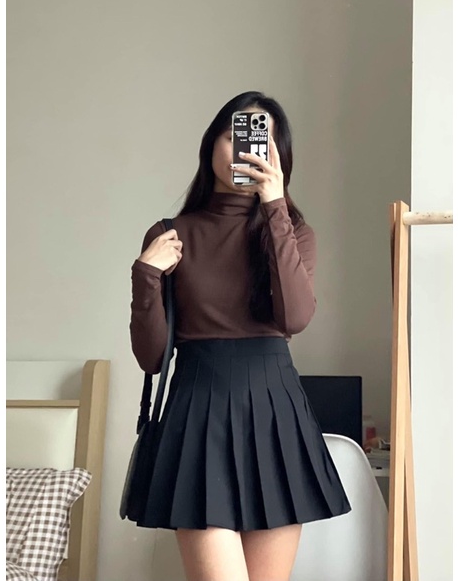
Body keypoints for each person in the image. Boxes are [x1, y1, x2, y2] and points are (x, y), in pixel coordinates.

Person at [129, 90, 351, 581]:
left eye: (261, 141)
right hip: (197, 412)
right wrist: (146, 275)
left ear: (279, 156)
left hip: (275, 414)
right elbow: (151, 357)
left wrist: (274, 205)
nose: (245, 150)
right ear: (211, 144)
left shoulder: (293, 231)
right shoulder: (170, 234)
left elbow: (294, 318)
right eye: (235, 136)